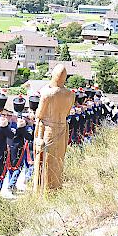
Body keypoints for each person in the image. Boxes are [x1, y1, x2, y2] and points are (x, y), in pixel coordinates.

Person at [33, 64, 75, 192]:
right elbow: (67, 113)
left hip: (49, 129)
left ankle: (45, 188)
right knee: (58, 160)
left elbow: (39, 114)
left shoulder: (48, 93)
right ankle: (56, 185)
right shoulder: (70, 95)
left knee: (47, 160)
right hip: (62, 128)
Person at [6, 96, 32, 194]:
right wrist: (29, 126)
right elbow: (28, 136)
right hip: (18, 147)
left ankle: (11, 186)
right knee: (18, 166)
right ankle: (11, 184)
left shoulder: (8, 120)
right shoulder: (22, 121)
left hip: (8, 145)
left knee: (10, 166)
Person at [22, 95, 40, 185]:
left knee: (27, 163)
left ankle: (27, 177)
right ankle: (28, 177)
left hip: (27, 142)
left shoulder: (26, 117)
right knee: (32, 162)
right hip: (32, 142)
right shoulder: (38, 118)